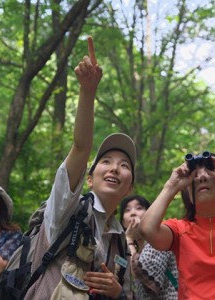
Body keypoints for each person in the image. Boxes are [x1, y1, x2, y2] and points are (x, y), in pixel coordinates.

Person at [23, 36, 135, 300]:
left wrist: (117, 292)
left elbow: (129, 295)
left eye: (124, 165)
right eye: (105, 162)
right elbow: (81, 147)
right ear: (88, 180)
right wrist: (87, 91)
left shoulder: (121, 242)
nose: (115, 169)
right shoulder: (68, 210)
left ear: (130, 185)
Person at [139, 152, 215, 299]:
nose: (202, 177)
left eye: (209, 171)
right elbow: (147, 229)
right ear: (190, 197)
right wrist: (171, 187)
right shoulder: (179, 229)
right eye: (196, 175)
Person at [120, 194, 178, 299]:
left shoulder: (158, 241)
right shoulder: (131, 251)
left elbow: (140, 270)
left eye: (139, 208)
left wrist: (128, 239)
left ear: (149, 216)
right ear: (123, 223)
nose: (133, 213)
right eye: (127, 210)